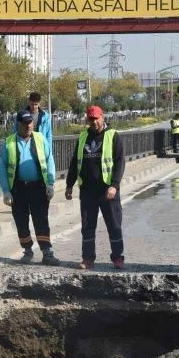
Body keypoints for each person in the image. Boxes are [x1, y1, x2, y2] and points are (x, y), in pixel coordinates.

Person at [65, 105, 126, 270]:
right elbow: (74, 163)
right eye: (90, 119)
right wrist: (69, 185)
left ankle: (117, 257)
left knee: (114, 225)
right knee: (87, 227)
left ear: (102, 117)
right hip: (87, 191)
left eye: (96, 119)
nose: (94, 122)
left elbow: (120, 162)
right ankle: (88, 258)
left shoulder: (113, 135)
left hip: (107, 190)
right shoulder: (83, 136)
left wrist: (114, 185)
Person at [0, 110, 59, 266]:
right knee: (21, 221)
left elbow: (49, 160)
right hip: (18, 189)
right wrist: (6, 191)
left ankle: (47, 253)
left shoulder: (40, 139)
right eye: (25, 123)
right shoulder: (9, 142)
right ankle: (27, 250)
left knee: (41, 220)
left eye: (30, 123)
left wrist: (51, 183)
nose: (28, 126)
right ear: (17, 124)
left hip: (38, 187)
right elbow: (3, 168)